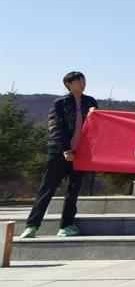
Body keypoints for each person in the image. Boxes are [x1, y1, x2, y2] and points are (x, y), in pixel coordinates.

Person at [21, 71, 99, 239]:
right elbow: (55, 128)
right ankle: (32, 226)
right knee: (47, 188)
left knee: (73, 190)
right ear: (68, 84)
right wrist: (66, 149)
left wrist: (95, 114)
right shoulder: (60, 103)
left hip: (81, 154)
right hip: (59, 153)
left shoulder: (90, 101)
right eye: (78, 81)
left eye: (84, 80)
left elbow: (96, 126)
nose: (82, 84)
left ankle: (66, 226)